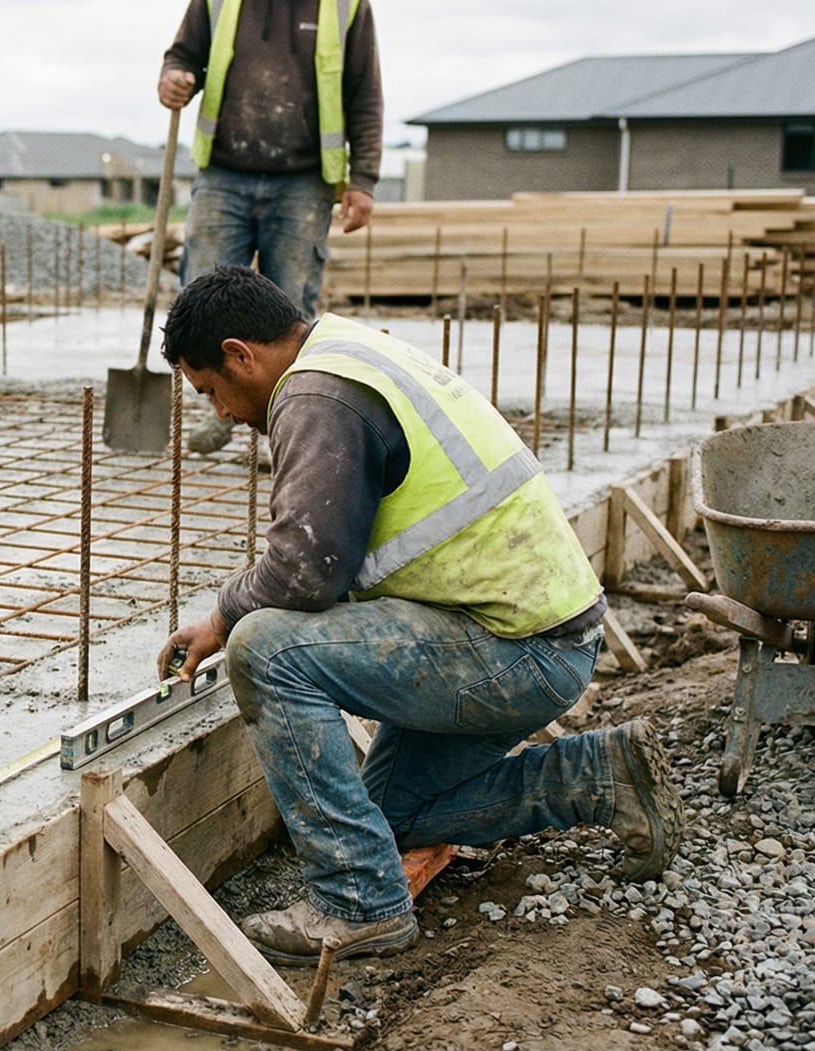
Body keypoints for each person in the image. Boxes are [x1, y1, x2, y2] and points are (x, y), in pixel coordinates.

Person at [156, 267, 681, 966]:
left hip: (511, 650)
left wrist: (223, 617)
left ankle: (355, 903)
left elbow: (305, 573)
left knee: (267, 649)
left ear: (240, 354)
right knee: (390, 817)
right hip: (542, 638)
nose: (219, 412)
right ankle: (597, 774)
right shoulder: (347, 348)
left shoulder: (313, 395)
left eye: (211, 390)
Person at [159, 0, 384, 455]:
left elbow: (364, 94)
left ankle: (282, 422)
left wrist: (363, 180)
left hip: (304, 178)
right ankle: (218, 407)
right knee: (202, 295)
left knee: (289, 309)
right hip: (224, 171)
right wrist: (175, 78)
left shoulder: (345, 6)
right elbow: (183, 55)